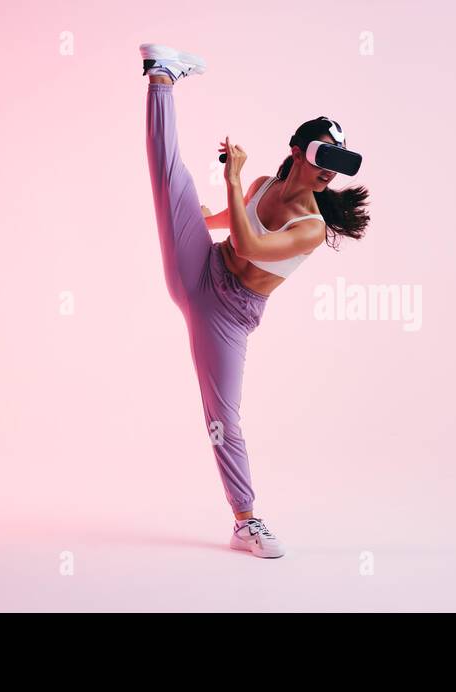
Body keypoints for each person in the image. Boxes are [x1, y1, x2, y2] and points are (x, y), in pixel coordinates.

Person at [140, 43, 370, 558]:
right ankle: (161, 78)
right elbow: (233, 223)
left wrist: (232, 176)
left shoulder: (311, 226)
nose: (330, 170)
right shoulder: (266, 183)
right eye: (323, 157)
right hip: (201, 265)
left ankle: (246, 522)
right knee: (170, 179)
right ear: (298, 150)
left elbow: (252, 245)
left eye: (338, 164)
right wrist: (200, 213)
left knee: (223, 418)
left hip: (227, 314)